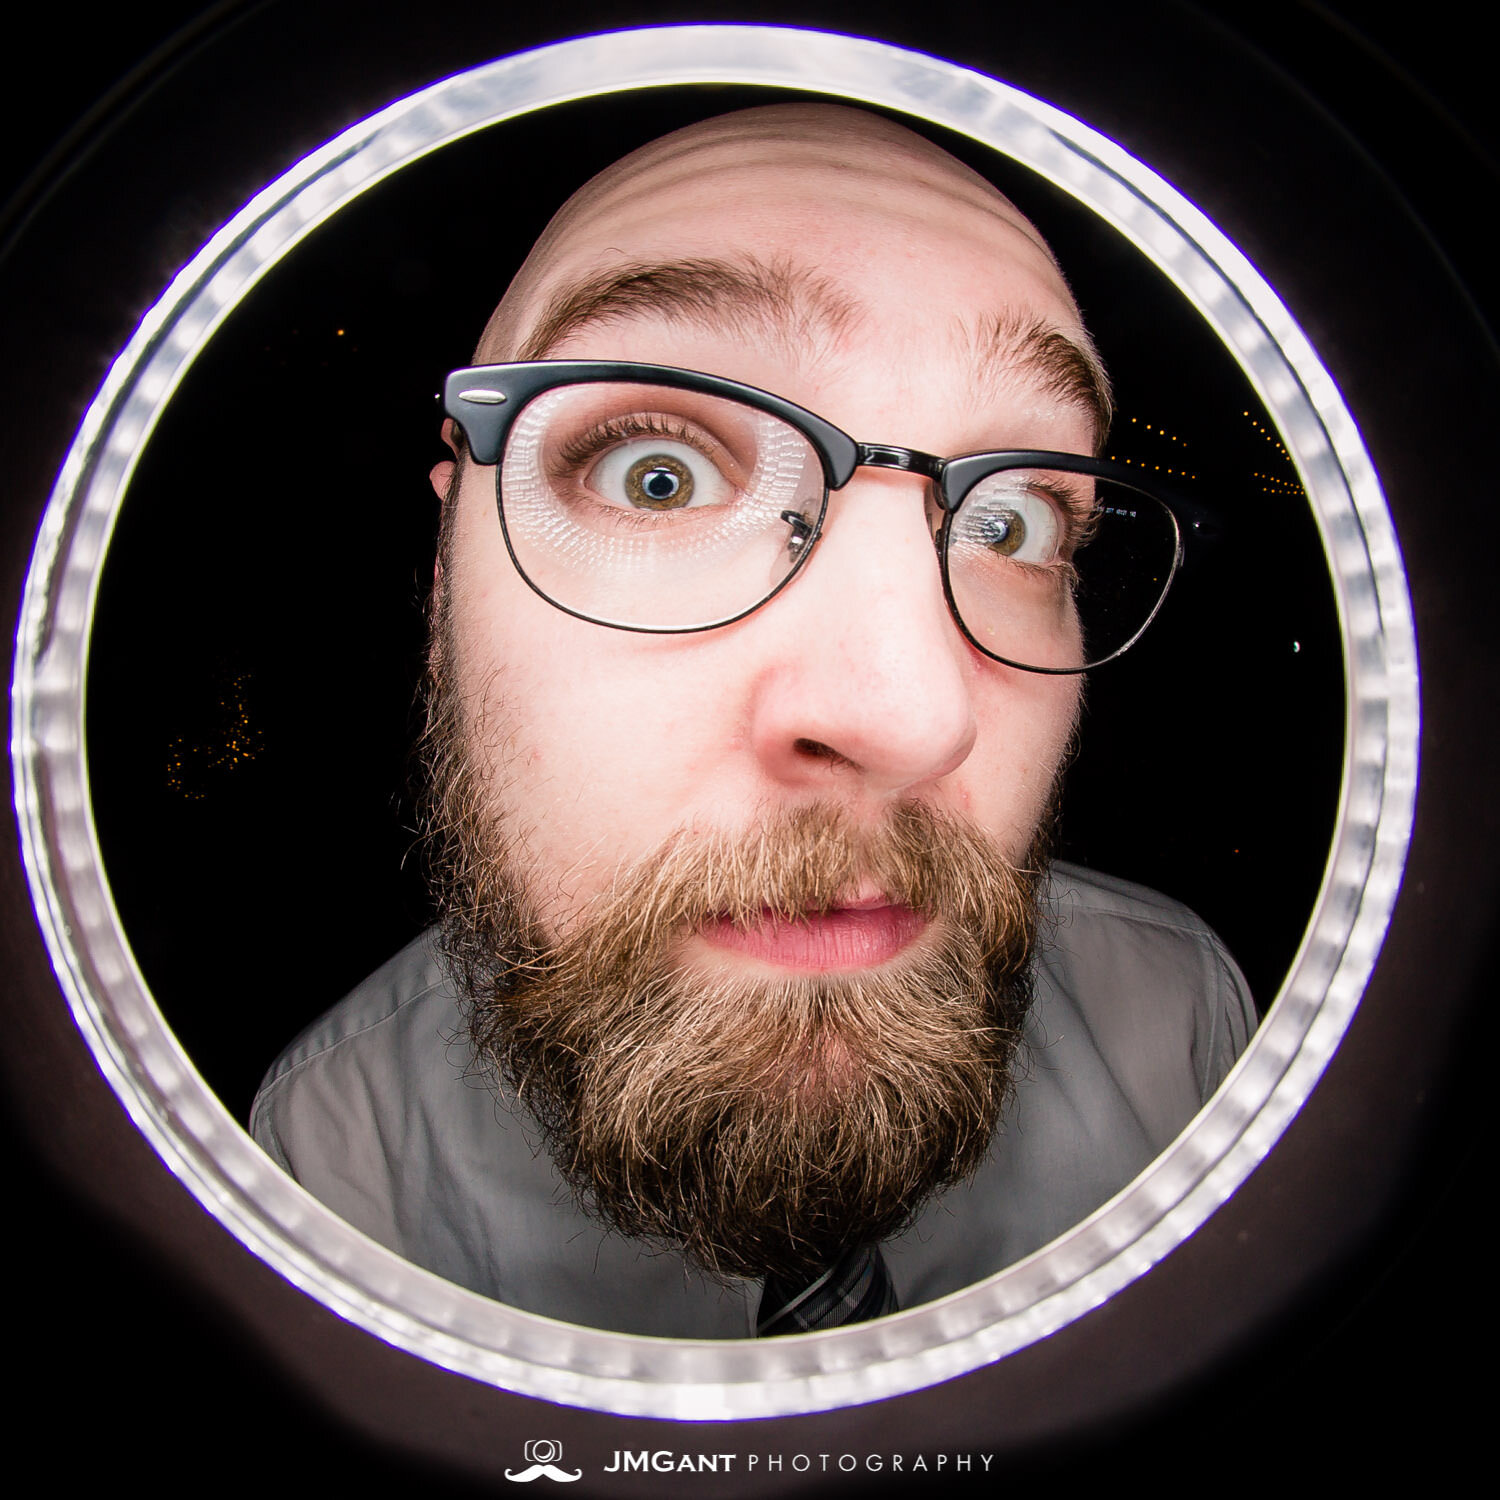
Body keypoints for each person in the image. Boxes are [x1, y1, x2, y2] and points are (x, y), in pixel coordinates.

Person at [250, 102, 1254, 1338]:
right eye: (653, 474)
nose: (911, 716)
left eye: (1013, 523)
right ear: (450, 577)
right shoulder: (328, 1160)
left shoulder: (1193, 1027)